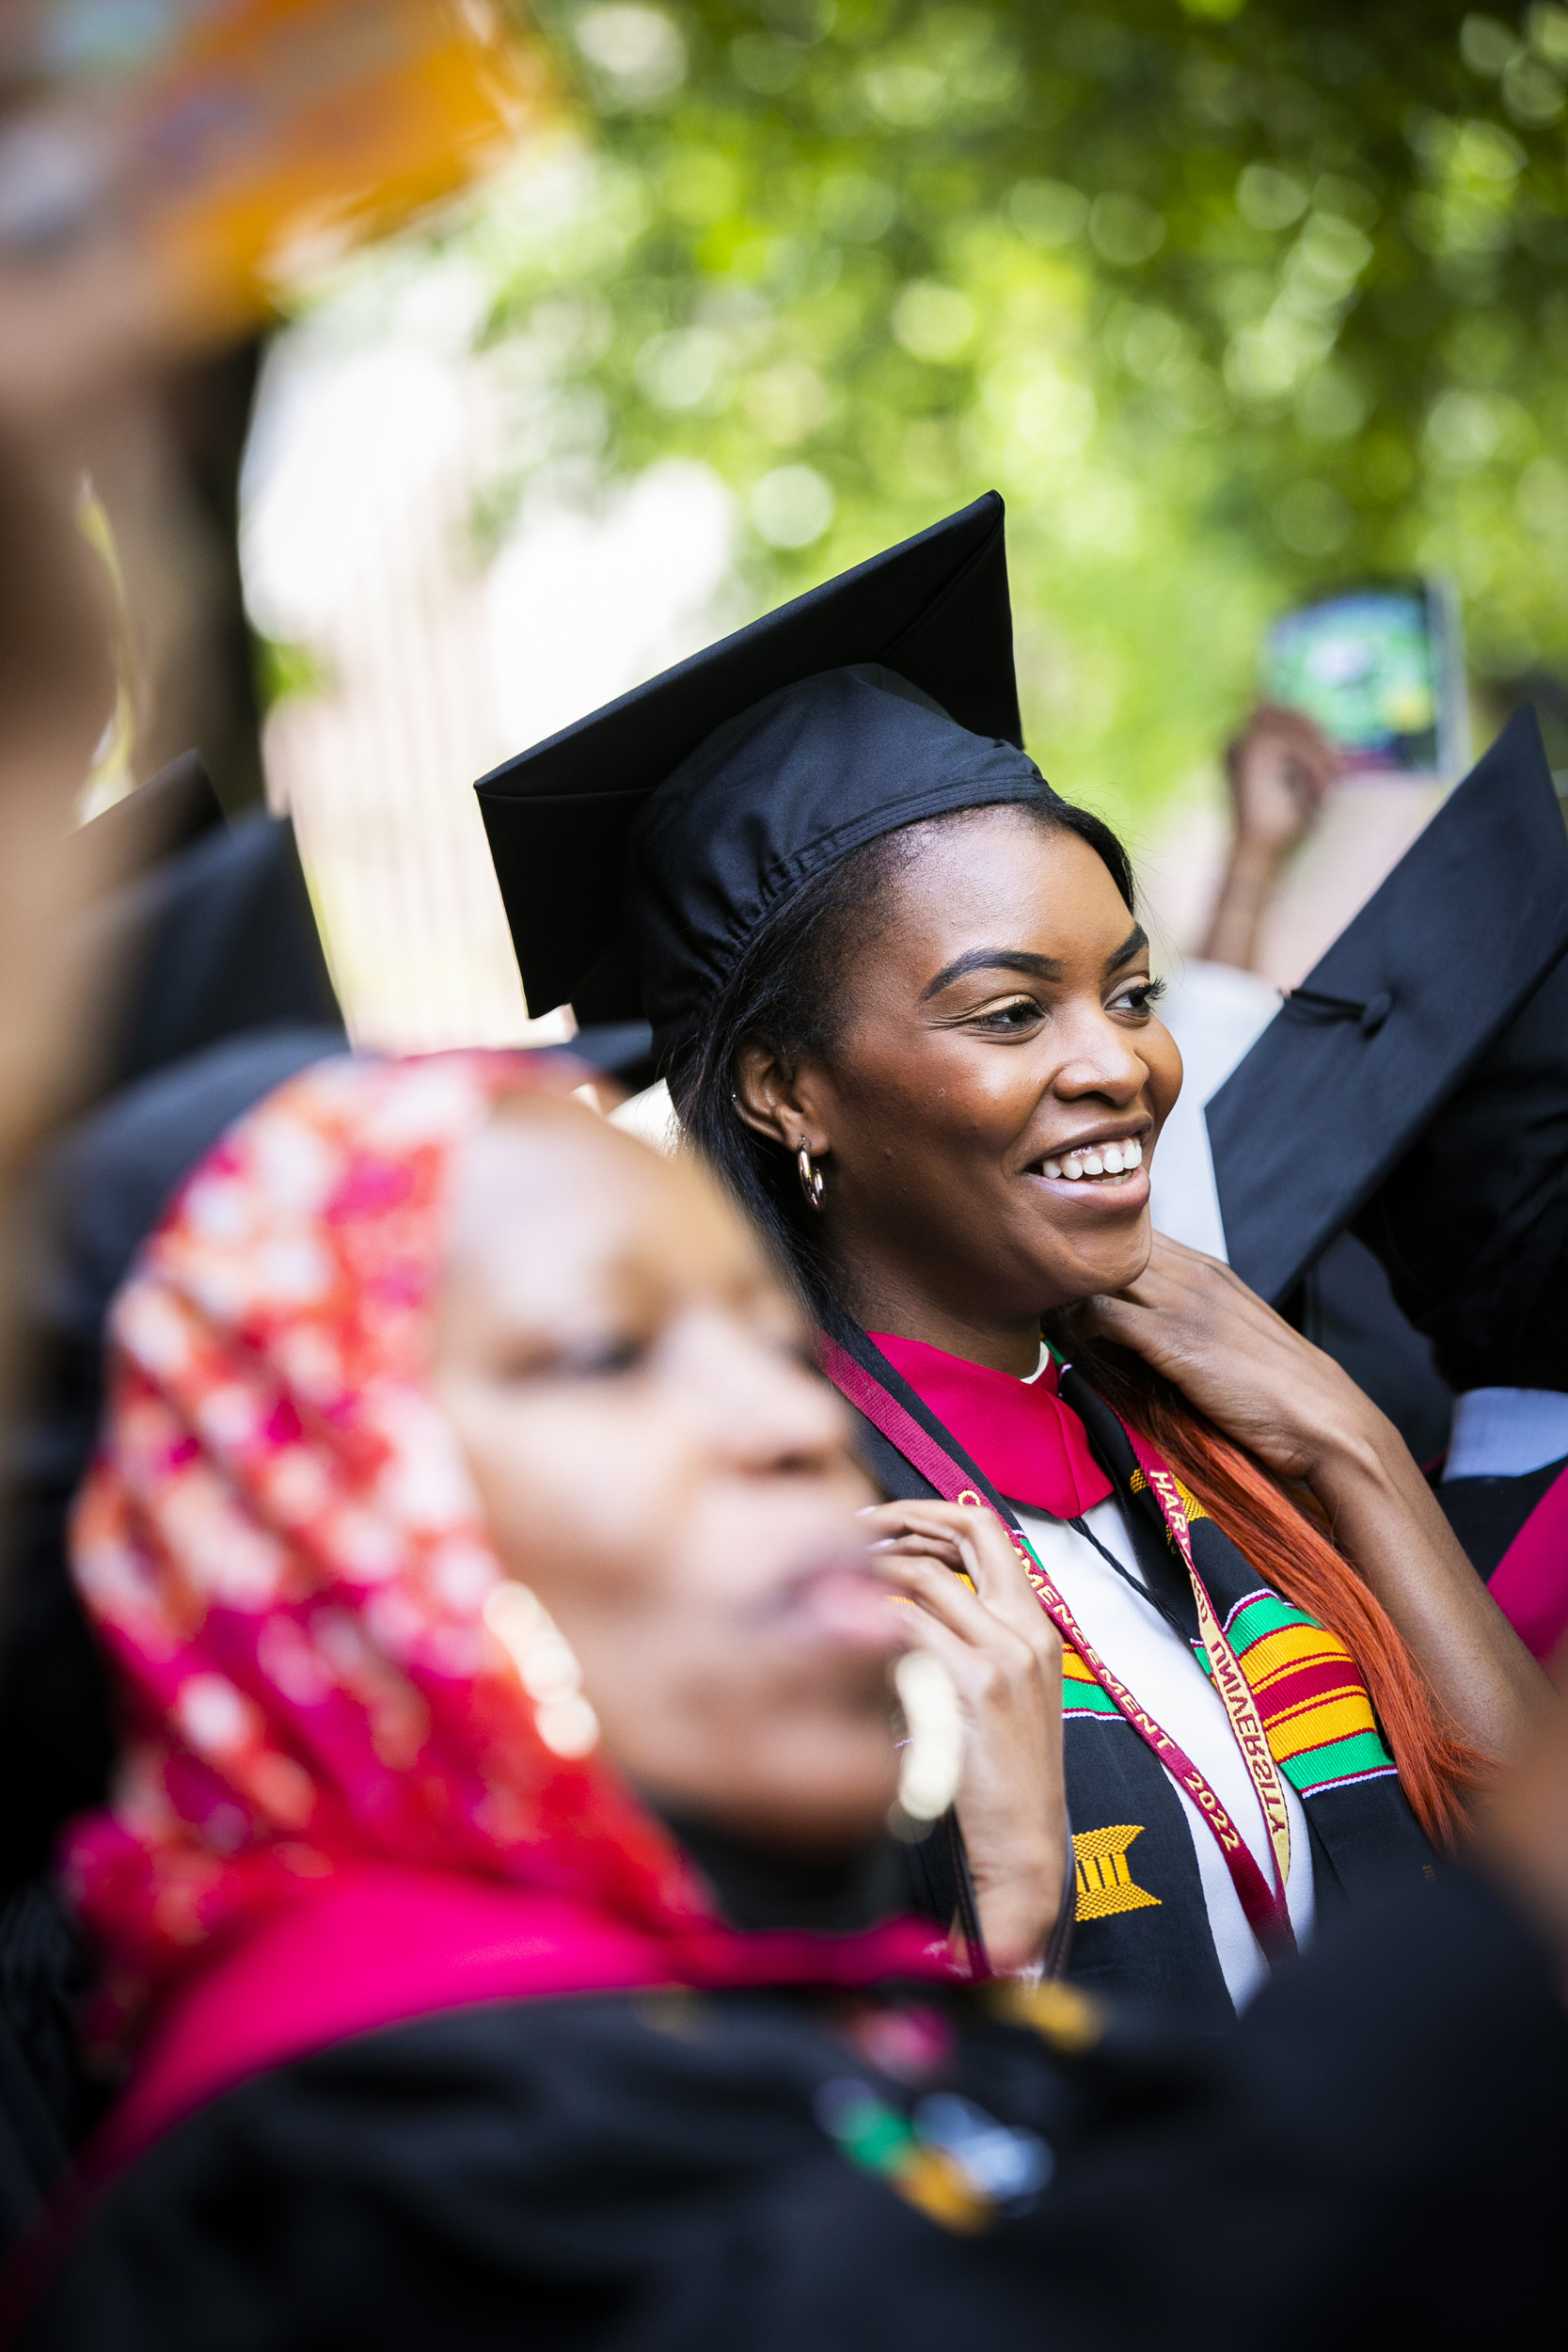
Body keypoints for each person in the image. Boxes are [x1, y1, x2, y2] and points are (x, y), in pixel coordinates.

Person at [14, 1045, 1568, 2351]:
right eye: (608, 1353)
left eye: (768, 1346)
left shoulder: (739, 2024)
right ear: (298, 1527)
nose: (778, 1417)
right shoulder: (349, 2172)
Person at [479, 493, 1547, 2025]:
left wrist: (1350, 1441)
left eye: (1129, 991)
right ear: (787, 1090)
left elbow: (1527, 1889)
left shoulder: (1219, 1432)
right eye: (1008, 1013)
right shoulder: (778, 1550)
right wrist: (1004, 1923)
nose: (1118, 1062)